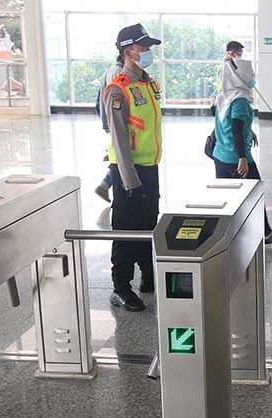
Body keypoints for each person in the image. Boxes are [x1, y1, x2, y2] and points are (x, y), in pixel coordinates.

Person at [102, 23, 162, 312]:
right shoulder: (118, 90)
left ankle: (148, 276)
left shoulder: (147, 83)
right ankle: (120, 287)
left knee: (149, 223)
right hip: (129, 173)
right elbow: (118, 138)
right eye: (144, 47)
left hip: (150, 168)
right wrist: (130, 181)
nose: (149, 51)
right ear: (129, 52)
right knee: (125, 230)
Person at [213, 41, 260, 180]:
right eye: (250, 74)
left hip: (220, 155)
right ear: (242, 76)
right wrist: (242, 158)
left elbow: (227, 123)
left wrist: (248, 130)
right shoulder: (239, 100)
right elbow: (235, 130)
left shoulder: (224, 96)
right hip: (235, 159)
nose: (252, 77)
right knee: (254, 194)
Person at [94, 60, 124, 203]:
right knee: (121, 159)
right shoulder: (119, 73)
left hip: (114, 122)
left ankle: (104, 185)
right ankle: (104, 185)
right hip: (119, 123)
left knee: (119, 157)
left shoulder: (111, 70)